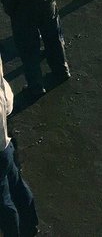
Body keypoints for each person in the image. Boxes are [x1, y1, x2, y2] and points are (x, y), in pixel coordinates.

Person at [0, 73, 40, 235]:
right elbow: (8, 101)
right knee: (17, 183)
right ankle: (31, 224)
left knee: (3, 204)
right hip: (5, 144)